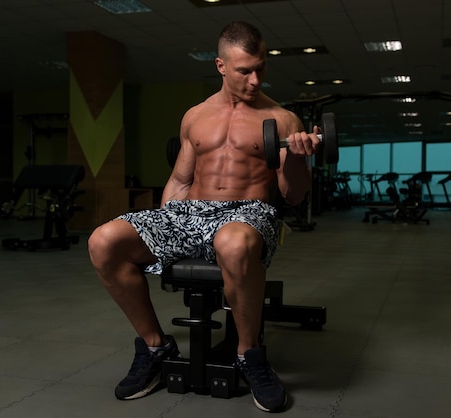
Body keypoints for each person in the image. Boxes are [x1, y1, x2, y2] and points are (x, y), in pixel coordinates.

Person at [88, 21, 320, 413]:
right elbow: (180, 179)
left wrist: (296, 156)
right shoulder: (194, 116)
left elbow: (292, 195)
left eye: (261, 67)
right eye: (244, 70)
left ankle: (250, 354)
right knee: (103, 240)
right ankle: (155, 348)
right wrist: (164, 229)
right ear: (221, 66)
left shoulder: (282, 120)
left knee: (233, 241)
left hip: (248, 212)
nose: (255, 78)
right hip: (190, 211)